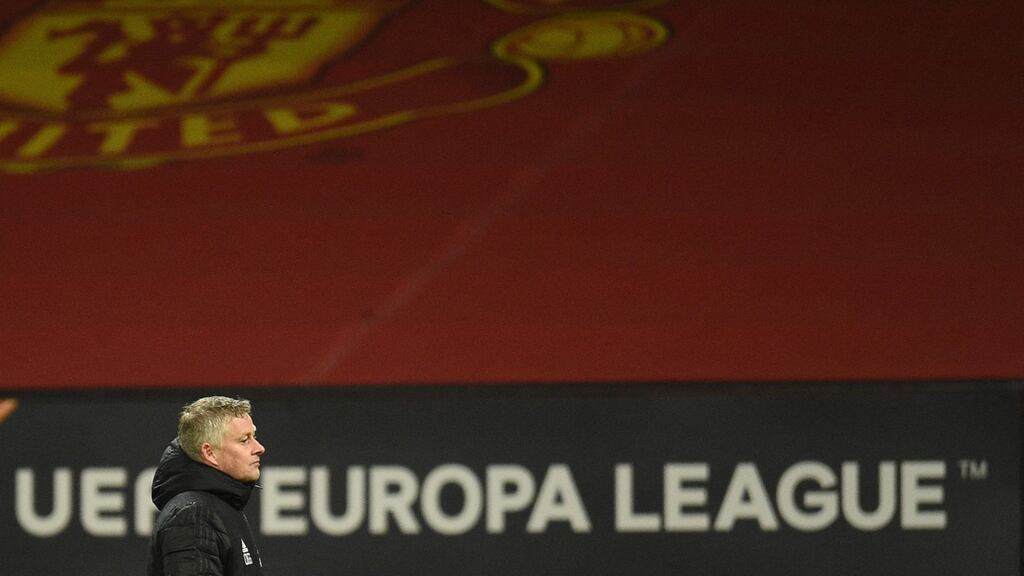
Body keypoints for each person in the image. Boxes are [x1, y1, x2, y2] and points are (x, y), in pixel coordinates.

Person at [147, 396, 267, 576]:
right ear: (209, 453)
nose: (259, 447)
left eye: (254, 436)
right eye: (244, 440)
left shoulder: (218, 506)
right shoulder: (193, 515)